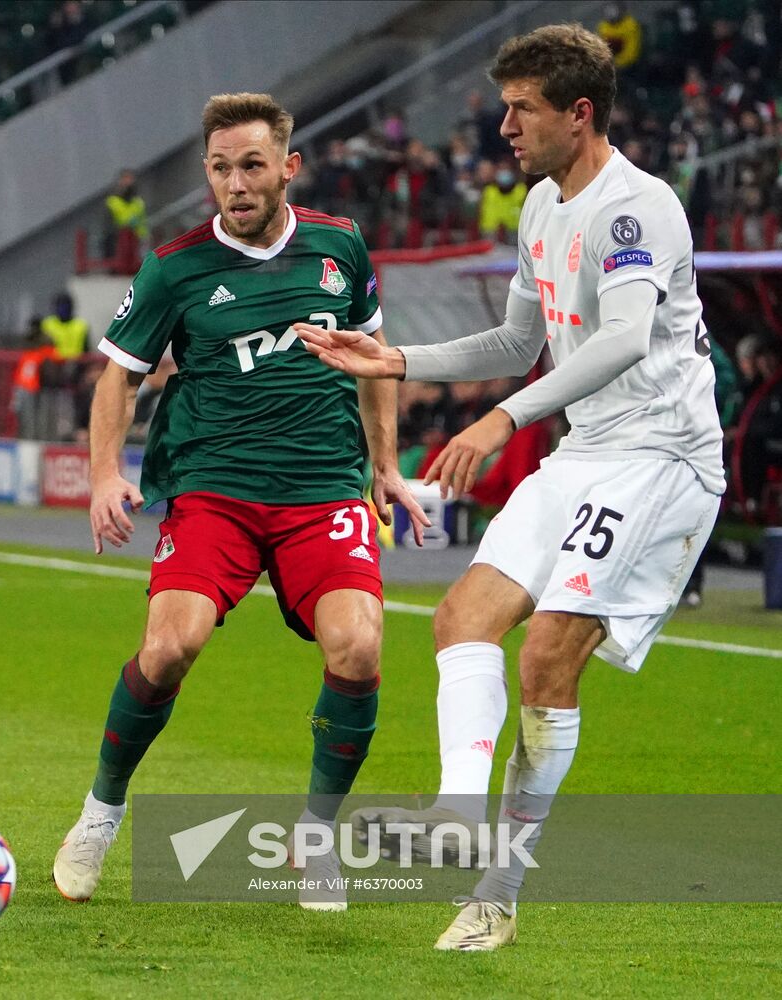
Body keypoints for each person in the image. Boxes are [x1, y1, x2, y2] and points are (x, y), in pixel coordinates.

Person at [298, 24, 723, 951]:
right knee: (461, 618)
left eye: (520, 107)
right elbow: (511, 341)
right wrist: (397, 357)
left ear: (578, 113)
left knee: (546, 658)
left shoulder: (635, 207)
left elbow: (619, 337)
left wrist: (500, 421)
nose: (502, 126)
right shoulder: (539, 206)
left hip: (662, 456)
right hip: (585, 451)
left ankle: (496, 892)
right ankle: (458, 813)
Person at [51, 92, 429, 910]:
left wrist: (386, 470)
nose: (235, 182)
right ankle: (99, 814)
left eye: (251, 165)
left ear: (287, 166)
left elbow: (373, 360)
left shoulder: (340, 247)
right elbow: (116, 370)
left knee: (358, 649)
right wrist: (106, 472)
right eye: (220, 168)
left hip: (320, 487)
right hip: (213, 490)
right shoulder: (175, 266)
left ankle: (317, 834)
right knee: (167, 649)